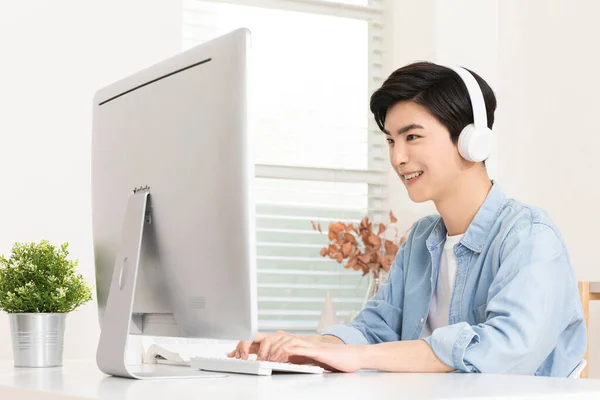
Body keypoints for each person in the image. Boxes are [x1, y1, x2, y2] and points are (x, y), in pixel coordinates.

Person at [227, 61, 587, 376]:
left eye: (412, 136)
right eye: (390, 142)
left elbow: (505, 349)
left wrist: (360, 356)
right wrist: (303, 346)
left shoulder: (528, 237)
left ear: (472, 141)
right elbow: (375, 327)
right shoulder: (422, 239)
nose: (398, 158)